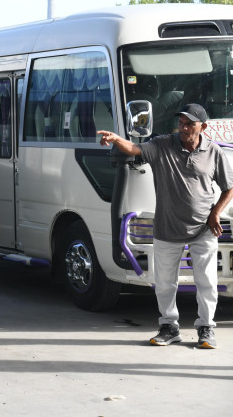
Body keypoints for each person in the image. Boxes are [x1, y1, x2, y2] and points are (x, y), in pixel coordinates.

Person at [98, 103, 233, 349]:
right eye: (181, 122)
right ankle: (169, 327)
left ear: (202, 126)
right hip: (167, 228)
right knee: (164, 282)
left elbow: (229, 187)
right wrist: (117, 139)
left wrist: (216, 212)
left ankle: (206, 328)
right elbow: (135, 148)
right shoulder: (162, 145)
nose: (183, 127)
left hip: (203, 228)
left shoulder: (214, 152)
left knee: (206, 282)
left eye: (189, 123)